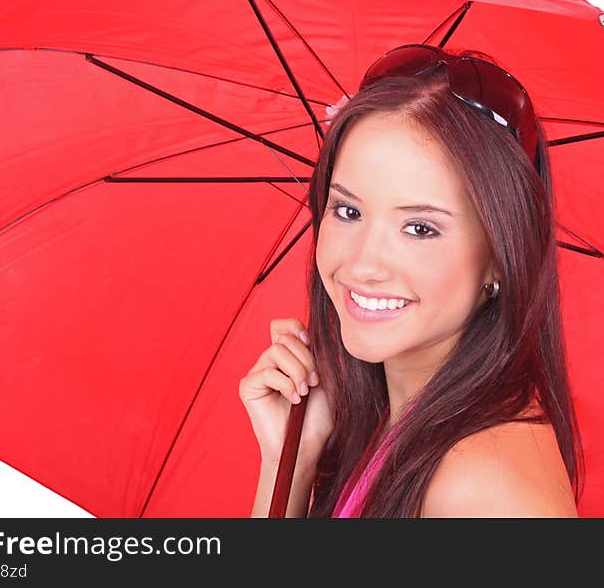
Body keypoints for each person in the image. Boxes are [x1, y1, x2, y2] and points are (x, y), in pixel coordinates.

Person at [240, 44, 584, 517]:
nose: (363, 264)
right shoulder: (400, 425)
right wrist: (291, 462)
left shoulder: (480, 488)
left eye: (419, 228)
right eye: (348, 210)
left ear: (500, 260)